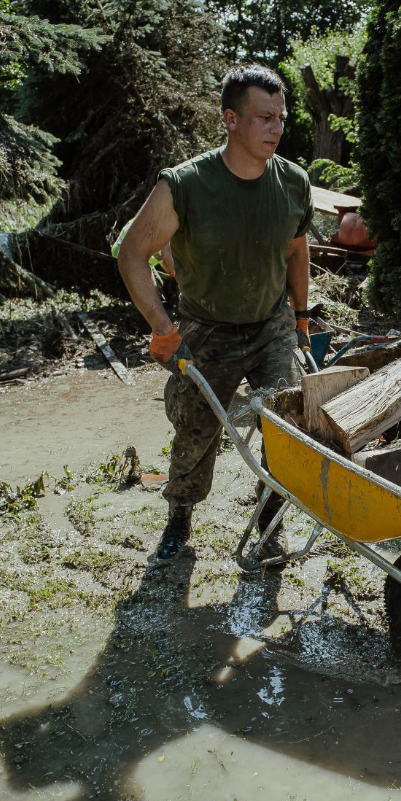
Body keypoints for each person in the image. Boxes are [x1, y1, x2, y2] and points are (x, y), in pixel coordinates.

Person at [117, 64, 314, 561]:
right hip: (208, 329)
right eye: (264, 118)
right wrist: (163, 329)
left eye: (282, 118)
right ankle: (179, 518)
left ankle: (271, 524)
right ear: (230, 119)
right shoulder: (186, 185)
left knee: (285, 426)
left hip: (272, 325)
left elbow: (296, 251)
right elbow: (132, 254)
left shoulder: (292, 182)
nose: (277, 128)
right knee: (197, 431)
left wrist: (303, 317)